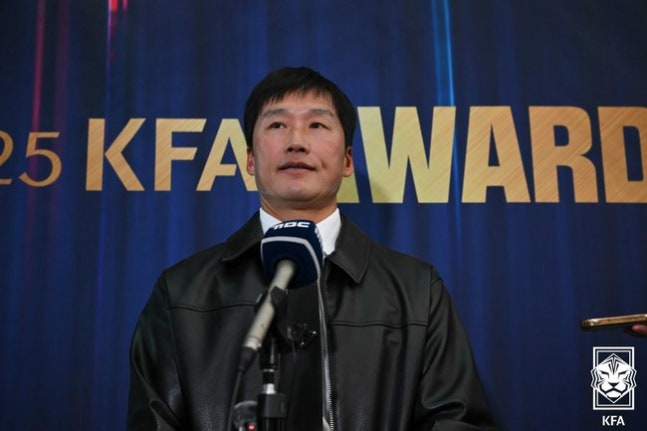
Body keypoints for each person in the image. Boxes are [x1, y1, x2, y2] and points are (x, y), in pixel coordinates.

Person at [128, 66, 496, 430]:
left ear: (347, 161)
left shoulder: (417, 292)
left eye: (317, 125)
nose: (296, 142)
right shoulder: (182, 293)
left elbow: (457, 421)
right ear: (250, 159)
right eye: (277, 125)